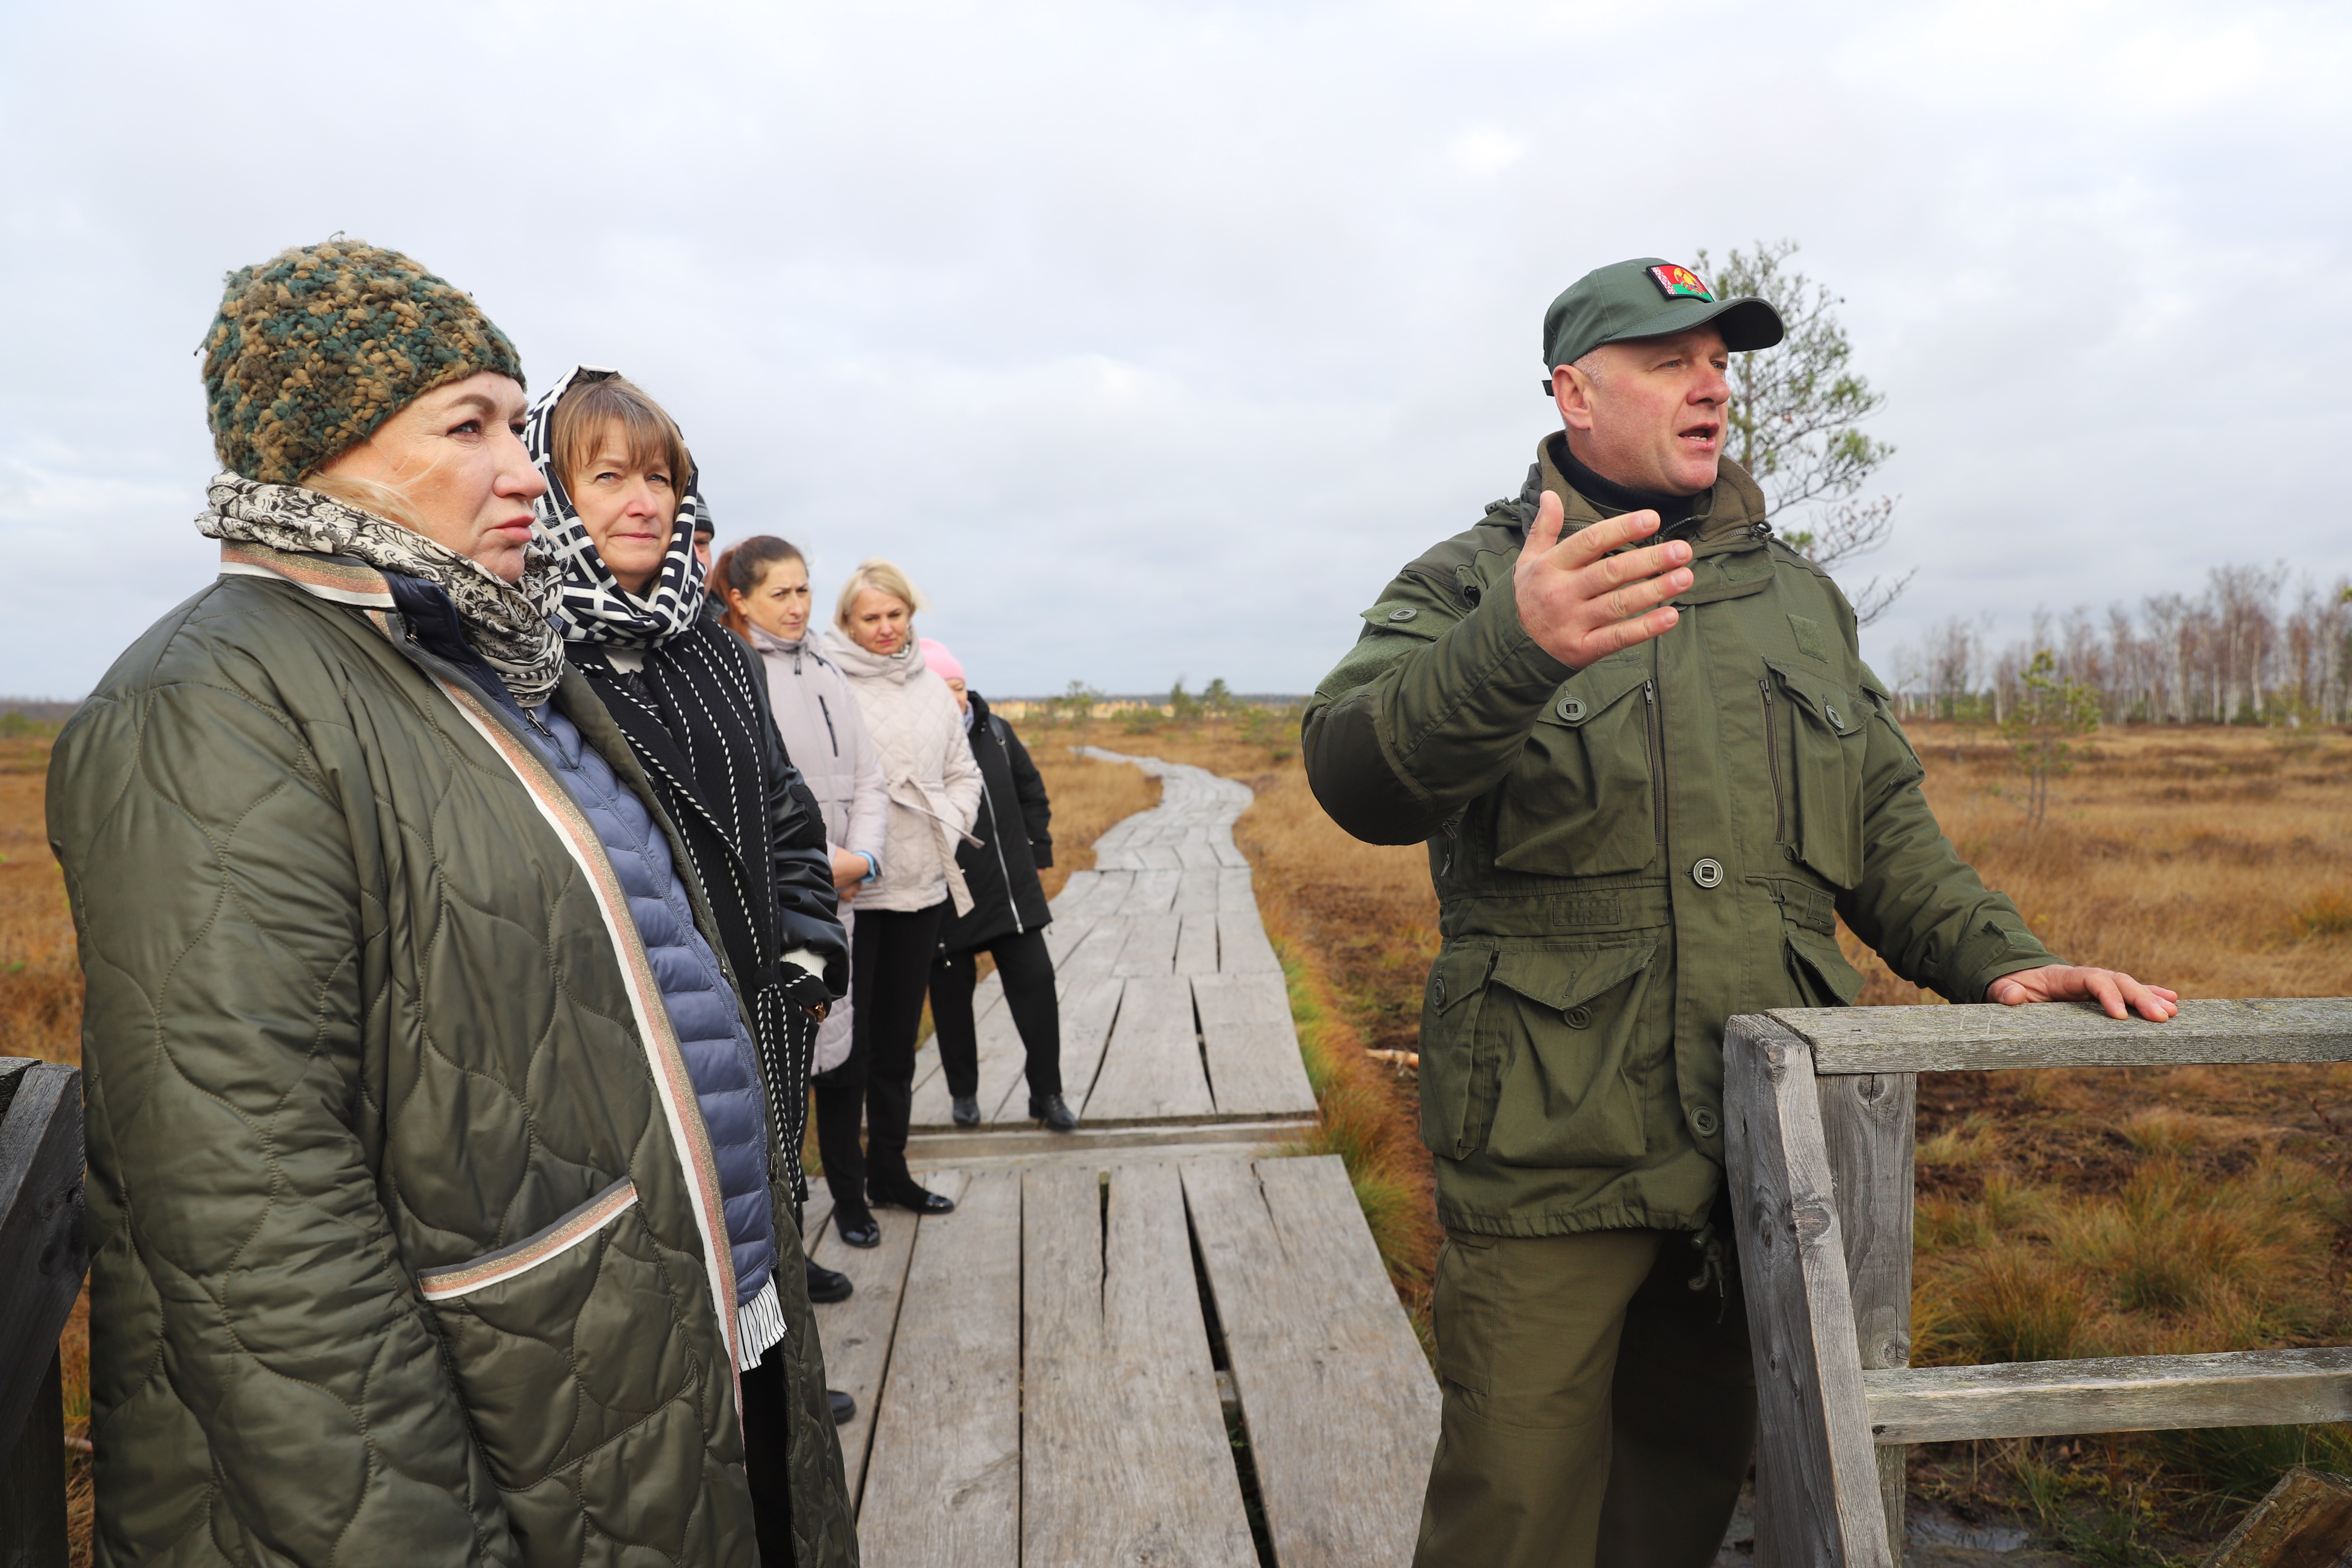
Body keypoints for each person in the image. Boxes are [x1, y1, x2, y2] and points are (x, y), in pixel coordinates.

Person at [1301, 256, 2178, 1568]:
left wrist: (1999, 956)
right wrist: (1515, 645)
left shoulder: (1797, 599)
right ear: (1571, 391)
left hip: (1759, 1135)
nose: (1709, 383)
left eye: (1719, 360)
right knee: (1512, 1504)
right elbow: (1354, 774)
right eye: (1667, 359)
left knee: (1678, 1491)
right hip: (1552, 1135)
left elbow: (1879, 827)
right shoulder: (1477, 578)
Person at [48, 240, 857, 1566]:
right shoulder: (210, 703)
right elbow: (253, 1221)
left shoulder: (480, 656)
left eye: (514, 417)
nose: (522, 465)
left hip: (666, 1343)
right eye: (467, 424)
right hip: (503, 1407)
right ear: (319, 447)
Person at [523, 369, 864, 1469]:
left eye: (660, 476)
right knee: (675, 1270)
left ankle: (786, 1399)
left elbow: (780, 797)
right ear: (550, 490)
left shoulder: (709, 641)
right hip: (642, 1039)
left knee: (774, 1199)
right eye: (607, 475)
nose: (643, 500)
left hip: (762, 1007)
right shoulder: (527, 657)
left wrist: (809, 950)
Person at [712, 533, 890, 1262]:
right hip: (791, 906)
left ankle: (853, 1200)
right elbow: (756, 805)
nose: (797, 606)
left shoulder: (825, 667)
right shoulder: (732, 669)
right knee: (787, 1069)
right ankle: (793, 1249)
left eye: (804, 589)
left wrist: (866, 858)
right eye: (780, 593)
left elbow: (870, 777)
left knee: (846, 1059)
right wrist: (825, 869)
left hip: (849, 890)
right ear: (739, 598)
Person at [820, 561, 983, 1238]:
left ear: (911, 615)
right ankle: (849, 1194)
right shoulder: (827, 682)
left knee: (897, 1045)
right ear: (847, 623)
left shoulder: (931, 688)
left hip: (921, 883)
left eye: (896, 615)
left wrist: (944, 814)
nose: (886, 629)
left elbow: (963, 771)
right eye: (871, 618)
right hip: (855, 890)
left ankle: (892, 1171)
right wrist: (837, 860)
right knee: (845, 1053)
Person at [921, 639, 1076, 1131]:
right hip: (947, 899)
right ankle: (964, 1095)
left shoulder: (998, 733)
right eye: (941, 690)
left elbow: (1032, 792)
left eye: (960, 687)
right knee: (951, 1004)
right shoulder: (910, 743)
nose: (956, 699)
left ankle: (1047, 1095)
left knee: (1038, 990)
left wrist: (1038, 852)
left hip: (1012, 894)